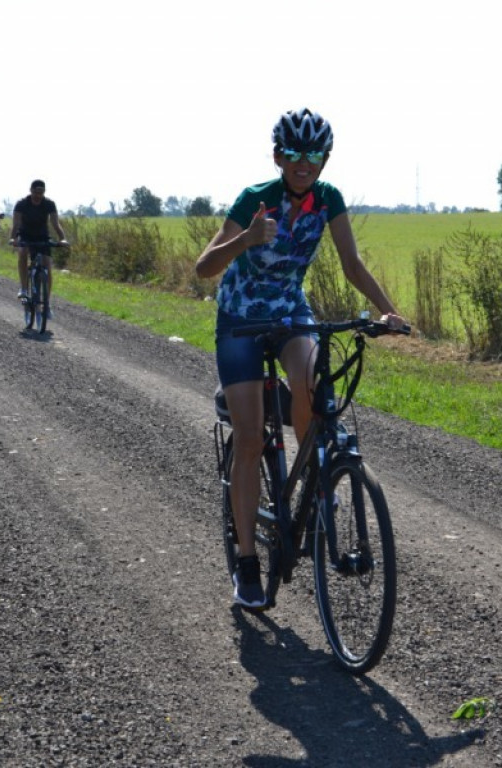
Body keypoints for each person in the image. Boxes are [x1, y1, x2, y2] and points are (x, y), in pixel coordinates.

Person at [195, 108, 406, 609]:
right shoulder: (255, 199)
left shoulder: (328, 199)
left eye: (314, 153)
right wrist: (246, 239)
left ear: (325, 159)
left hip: (290, 311)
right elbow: (205, 267)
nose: (303, 161)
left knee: (313, 381)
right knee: (250, 437)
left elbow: (352, 264)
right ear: (278, 156)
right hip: (241, 318)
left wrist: (388, 311)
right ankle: (248, 564)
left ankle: (316, 482)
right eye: (293, 152)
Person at [10, 179, 67, 308]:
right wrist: (13, 238)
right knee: (23, 252)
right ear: (30, 190)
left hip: (42, 236)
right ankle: (24, 288)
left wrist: (62, 238)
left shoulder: (49, 204)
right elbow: (16, 224)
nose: (38, 195)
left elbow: (55, 223)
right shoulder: (21, 204)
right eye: (36, 192)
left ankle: (47, 302)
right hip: (25, 234)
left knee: (47, 264)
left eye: (41, 193)